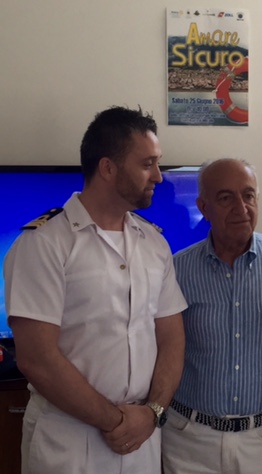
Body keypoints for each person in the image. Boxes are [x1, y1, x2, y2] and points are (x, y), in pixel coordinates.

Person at [3, 106, 187, 473]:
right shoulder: (44, 243)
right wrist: (117, 421)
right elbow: (37, 358)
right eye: (147, 164)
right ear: (107, 168)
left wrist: (151, 413)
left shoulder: (154, 243)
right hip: (69, 440)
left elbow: (171, 338)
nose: (159, 176)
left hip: (142, 437)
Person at [162, 159, 262, 474]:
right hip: (188, 441)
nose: (241, 208)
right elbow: (161, 352)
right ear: (204, 207)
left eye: (248, 195)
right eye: (226, 198)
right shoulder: (176, 270)